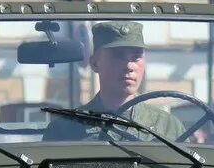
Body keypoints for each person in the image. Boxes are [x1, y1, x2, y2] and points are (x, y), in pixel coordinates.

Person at [43, 21, 184, 142]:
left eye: (136, 57)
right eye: (118, 56)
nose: (129, 66)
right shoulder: (65, 130)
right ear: (95, 63)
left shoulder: (167, 127)